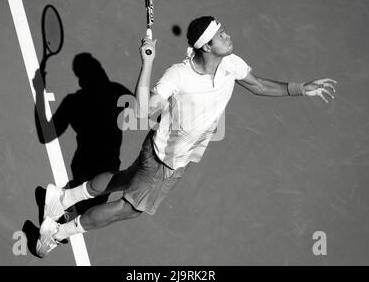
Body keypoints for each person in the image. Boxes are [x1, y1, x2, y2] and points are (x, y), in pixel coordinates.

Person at [36, 16, 337, 257]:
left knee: (127, 178)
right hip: (166, 160)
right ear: (207, 46)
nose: (227, 36)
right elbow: (142, 111)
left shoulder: (230, 64)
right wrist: (148, 63)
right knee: (128, 208)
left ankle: (64, 197)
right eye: (220, 34)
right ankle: (58, 232)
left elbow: (258, 85)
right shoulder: (178, 75)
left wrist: (300, 88)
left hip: (169, 155)